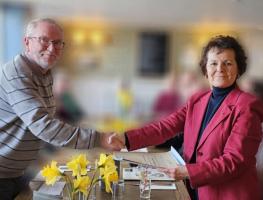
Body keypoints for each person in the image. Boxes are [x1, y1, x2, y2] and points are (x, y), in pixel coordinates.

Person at [113, 35, 263, 200]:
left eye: (228, 63)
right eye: (213, 63)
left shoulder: (247, 105)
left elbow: (234, 161)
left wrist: (187, 171)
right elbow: (165, 126)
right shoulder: (197, 100)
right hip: (195, 191)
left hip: (229, 195)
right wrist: (126, 138)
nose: (220, 68)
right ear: (205, 68)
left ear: (238, 68)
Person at [0, 18, 121, 199]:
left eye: (57, 43)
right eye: (44, 40)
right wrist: (98, 138)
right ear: (27, 41)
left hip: (18, 171)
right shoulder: (16, 73)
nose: (51, 48)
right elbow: (43, 125)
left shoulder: (44, 74)